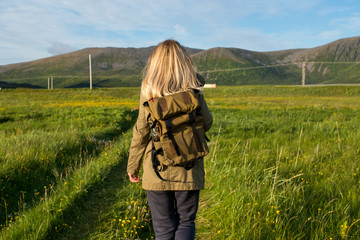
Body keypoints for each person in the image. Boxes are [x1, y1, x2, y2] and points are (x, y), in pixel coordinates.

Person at [127, 39, 213, 240]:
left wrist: (133, 166)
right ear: (183, 61)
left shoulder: (148, 89)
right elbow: (207, 123)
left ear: (155, 62)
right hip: (189, 166)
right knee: (186, 221)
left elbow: (141, 131)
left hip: (157, 168)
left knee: (164, 228)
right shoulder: (193, 87)